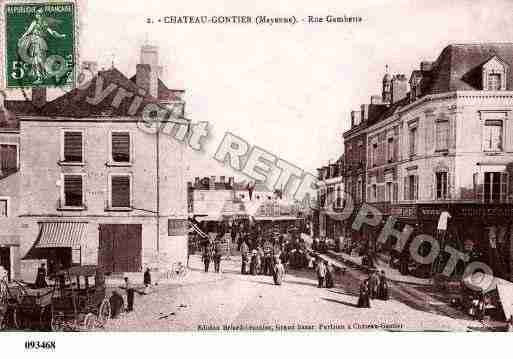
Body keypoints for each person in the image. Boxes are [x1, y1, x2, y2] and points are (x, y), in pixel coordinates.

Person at [18, 7, 67, 84]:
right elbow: (28, 31)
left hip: (40, 43)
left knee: (40, 60)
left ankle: (54, 73)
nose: (40, 15)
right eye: (38, 13)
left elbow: (52, 32)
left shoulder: (44, 23)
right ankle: (43, 76)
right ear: (36, 15)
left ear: (43, 15)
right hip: (34, 44)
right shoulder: (34, 23)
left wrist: (60, 36)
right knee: (37, 60)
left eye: (41, 14)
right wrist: (21, 38)